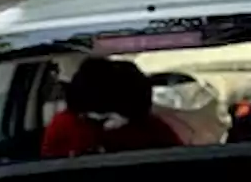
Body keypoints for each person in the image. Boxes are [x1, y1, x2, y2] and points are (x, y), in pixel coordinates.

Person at [41, 57, 183, 158]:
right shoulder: (64, 126)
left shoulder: (153, 129)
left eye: (110, 118)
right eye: (95, 120)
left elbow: (178, 161)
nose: (107, 126)